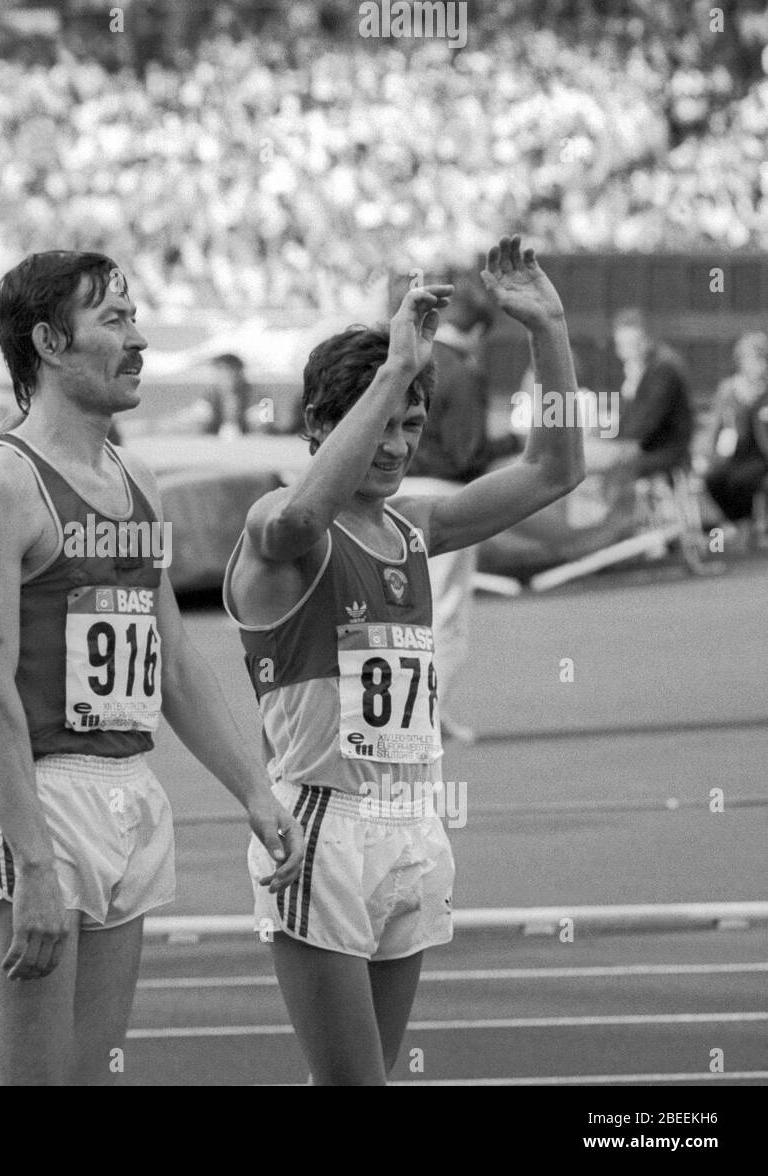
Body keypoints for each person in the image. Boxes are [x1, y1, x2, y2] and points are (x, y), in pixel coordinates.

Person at [224, 237, 584, 1085]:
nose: (394, 447)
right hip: (322, 824)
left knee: (366, 1076)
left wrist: (550, 329)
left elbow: (554, 468)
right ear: (320, 425)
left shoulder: (416, 529)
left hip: (410, 823)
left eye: (410, 427)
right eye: (378, 429)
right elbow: (299, 523)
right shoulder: (283, 526)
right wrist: (395, 367)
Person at [0, 250, 305, 1086]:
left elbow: (172, 659)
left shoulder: (135, 477)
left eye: (136, 317)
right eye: (114, 320)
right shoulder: (0, 484)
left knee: (94, 1075)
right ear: (49, 343)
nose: (138, 339)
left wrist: (255, 789)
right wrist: (31, 861)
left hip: (129, 792)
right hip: (40, 797)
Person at [401, 282, 519, 744]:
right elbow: (468, 454)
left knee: (395, 613)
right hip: (442, 497)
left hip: (391, 493)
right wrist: (515, 440)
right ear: (479, 333)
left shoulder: (410, 360)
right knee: (444, 616)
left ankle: (421, 712)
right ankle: (423, 717)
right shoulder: (464, 371)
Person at [598, 306, 694, 478]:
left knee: (595, 463)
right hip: (647, 448)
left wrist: (632, 392)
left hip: (665, 454)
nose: (624, 353)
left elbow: (642, 427)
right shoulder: (642, 369)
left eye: (631, 345)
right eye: (621, 346)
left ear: (646, 340)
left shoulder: (663, 369)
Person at [699, 331, 768, 528]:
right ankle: (736, 523)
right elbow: (714, 428)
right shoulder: (729, 390)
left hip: (761, 455)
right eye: (751, 360)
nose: (757, 366)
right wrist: (706, 456)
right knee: (714, 479)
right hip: (733, 453)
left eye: (760, 360)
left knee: (742, 480)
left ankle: (745, 524)